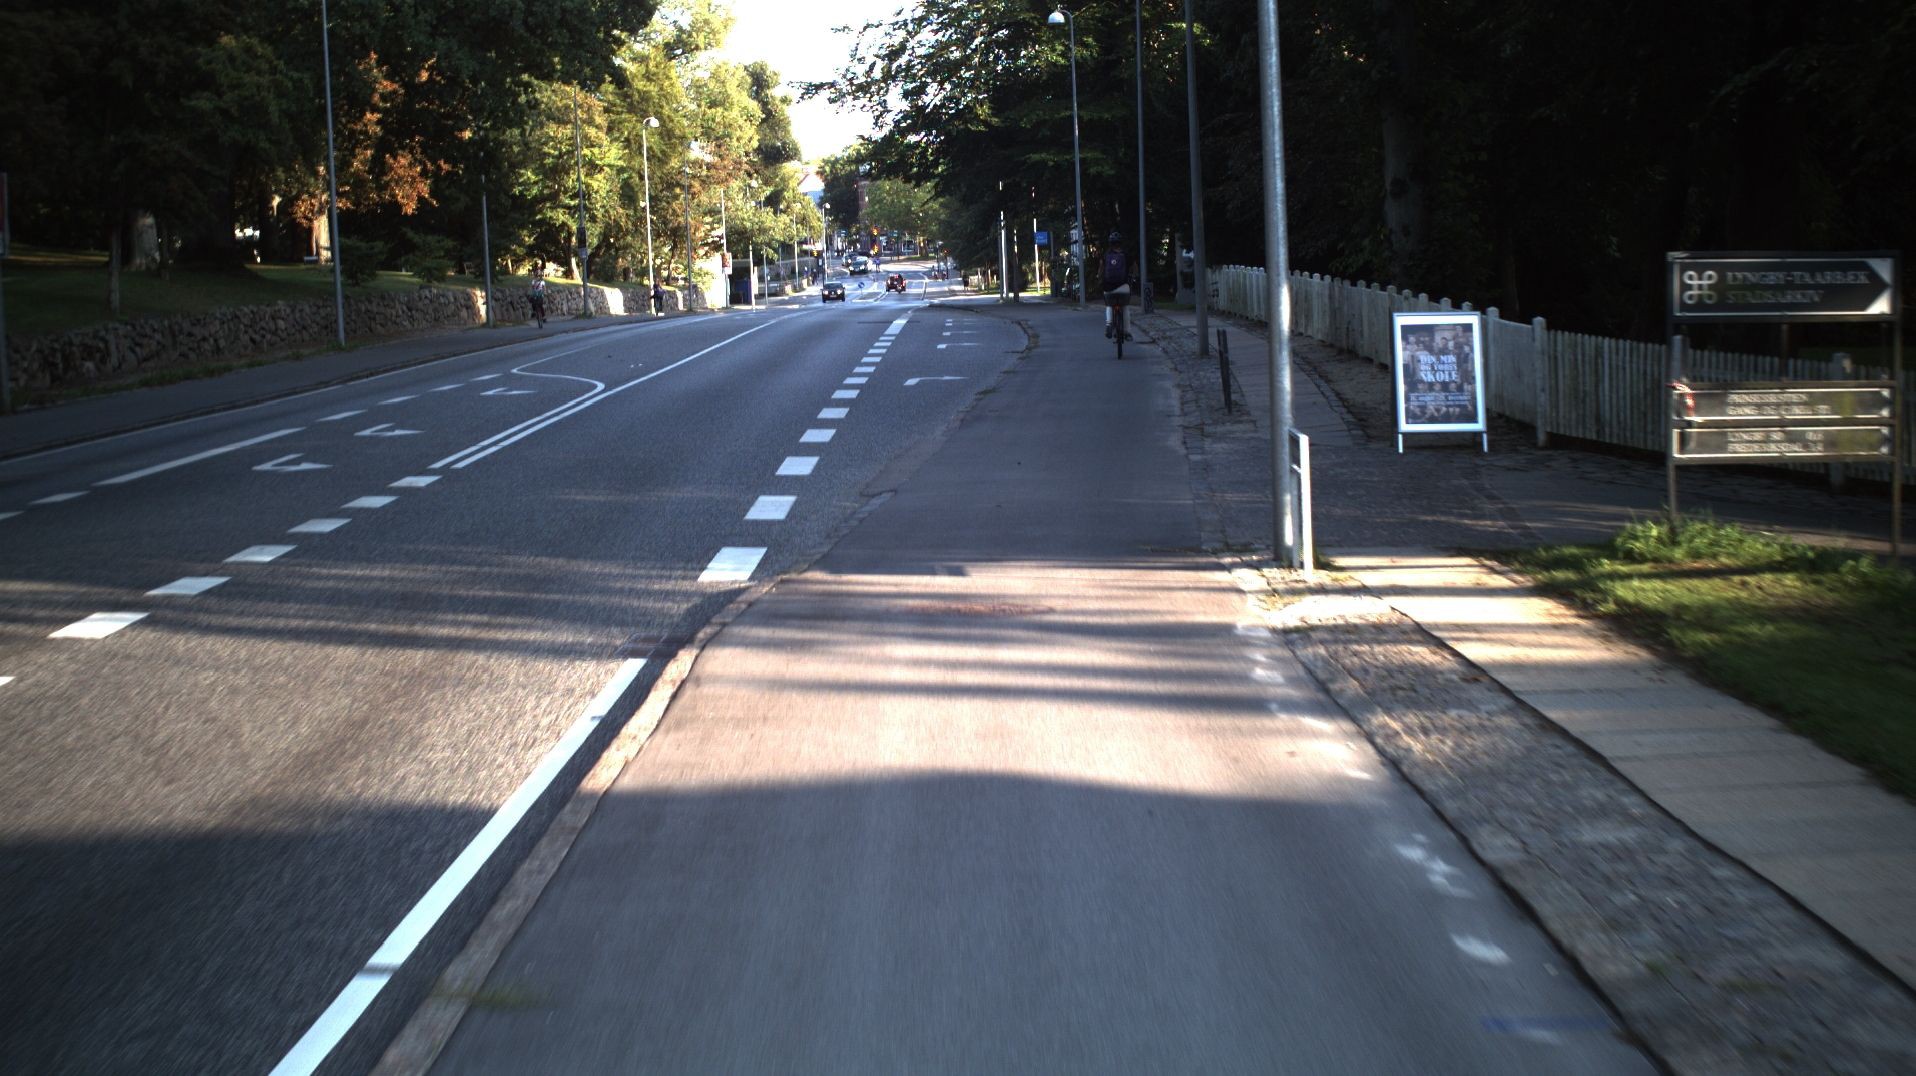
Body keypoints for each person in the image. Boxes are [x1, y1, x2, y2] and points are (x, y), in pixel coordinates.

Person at [1100, 231, 1132, 340]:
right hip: (1123, 287)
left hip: (1108, 287)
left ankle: (1109, 323)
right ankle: (1127, 332)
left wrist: (1099, 276)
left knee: (1109, 305)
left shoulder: (1106, 255)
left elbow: (1101, 269)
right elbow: (1134, 268)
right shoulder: (1126, 254)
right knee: (1125, 307)